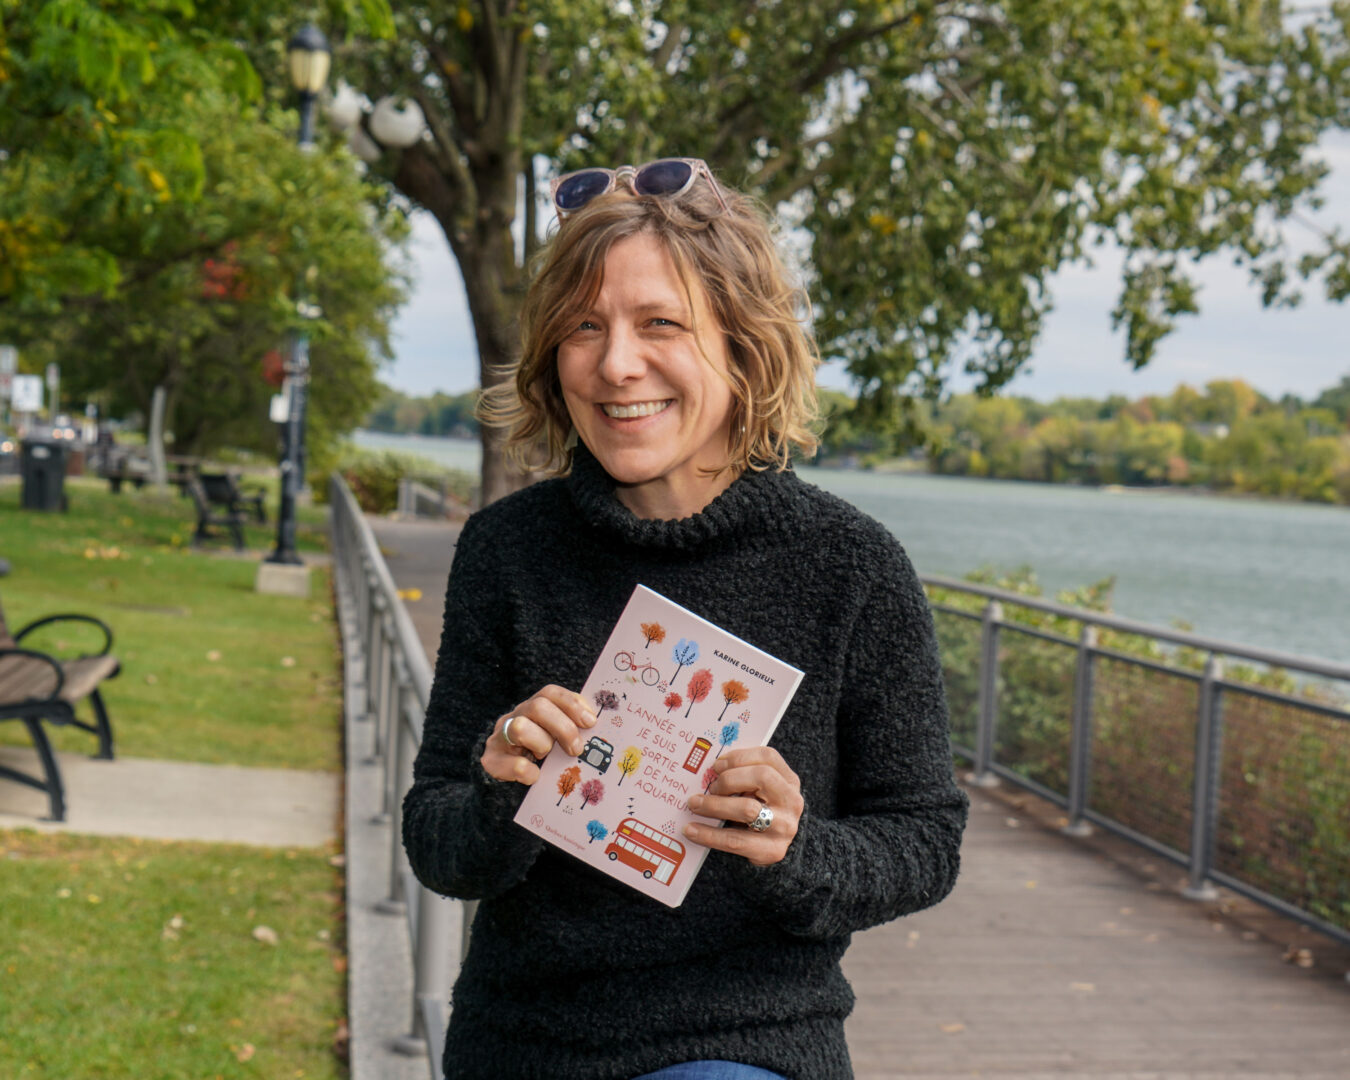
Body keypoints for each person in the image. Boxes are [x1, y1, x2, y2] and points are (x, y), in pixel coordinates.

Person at [403, 157, 969, 1080]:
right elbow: (436, 837)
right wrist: (499, 785)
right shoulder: (506, 551)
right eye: (584, 327)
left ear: (744, 349)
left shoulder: (852, 567)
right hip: (523, 1042)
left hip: (744, 1044)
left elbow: (923, 840)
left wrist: (796, 848)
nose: (617, 363)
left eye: (659, 323)